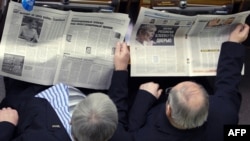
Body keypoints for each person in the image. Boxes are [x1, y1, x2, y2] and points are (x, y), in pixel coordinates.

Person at [108, 23, 250, 141]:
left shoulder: (147, 137)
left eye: (171, 90)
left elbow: (118, 128)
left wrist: (121, 70)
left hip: (145, 105)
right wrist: (233, 44)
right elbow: (228, 85)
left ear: (169, 109)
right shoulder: (226, 115)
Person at [0, 41, 132, 141]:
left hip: (31, 92)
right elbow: (118, 113)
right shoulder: (115, 133)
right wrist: (121, 69)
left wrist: (6, 126)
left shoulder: (37, 137)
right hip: (77, 82)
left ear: (71, 120)